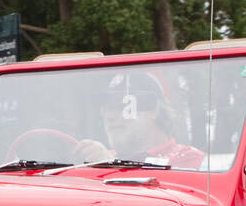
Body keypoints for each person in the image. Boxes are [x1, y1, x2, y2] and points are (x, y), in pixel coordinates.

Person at [75, 71, 205, 169]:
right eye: (106, 108)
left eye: (123, 106)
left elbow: (167, 199)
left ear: (154, 110)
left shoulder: (188, 158)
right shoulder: (98, 158)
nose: (109, 116)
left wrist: (111, 165)